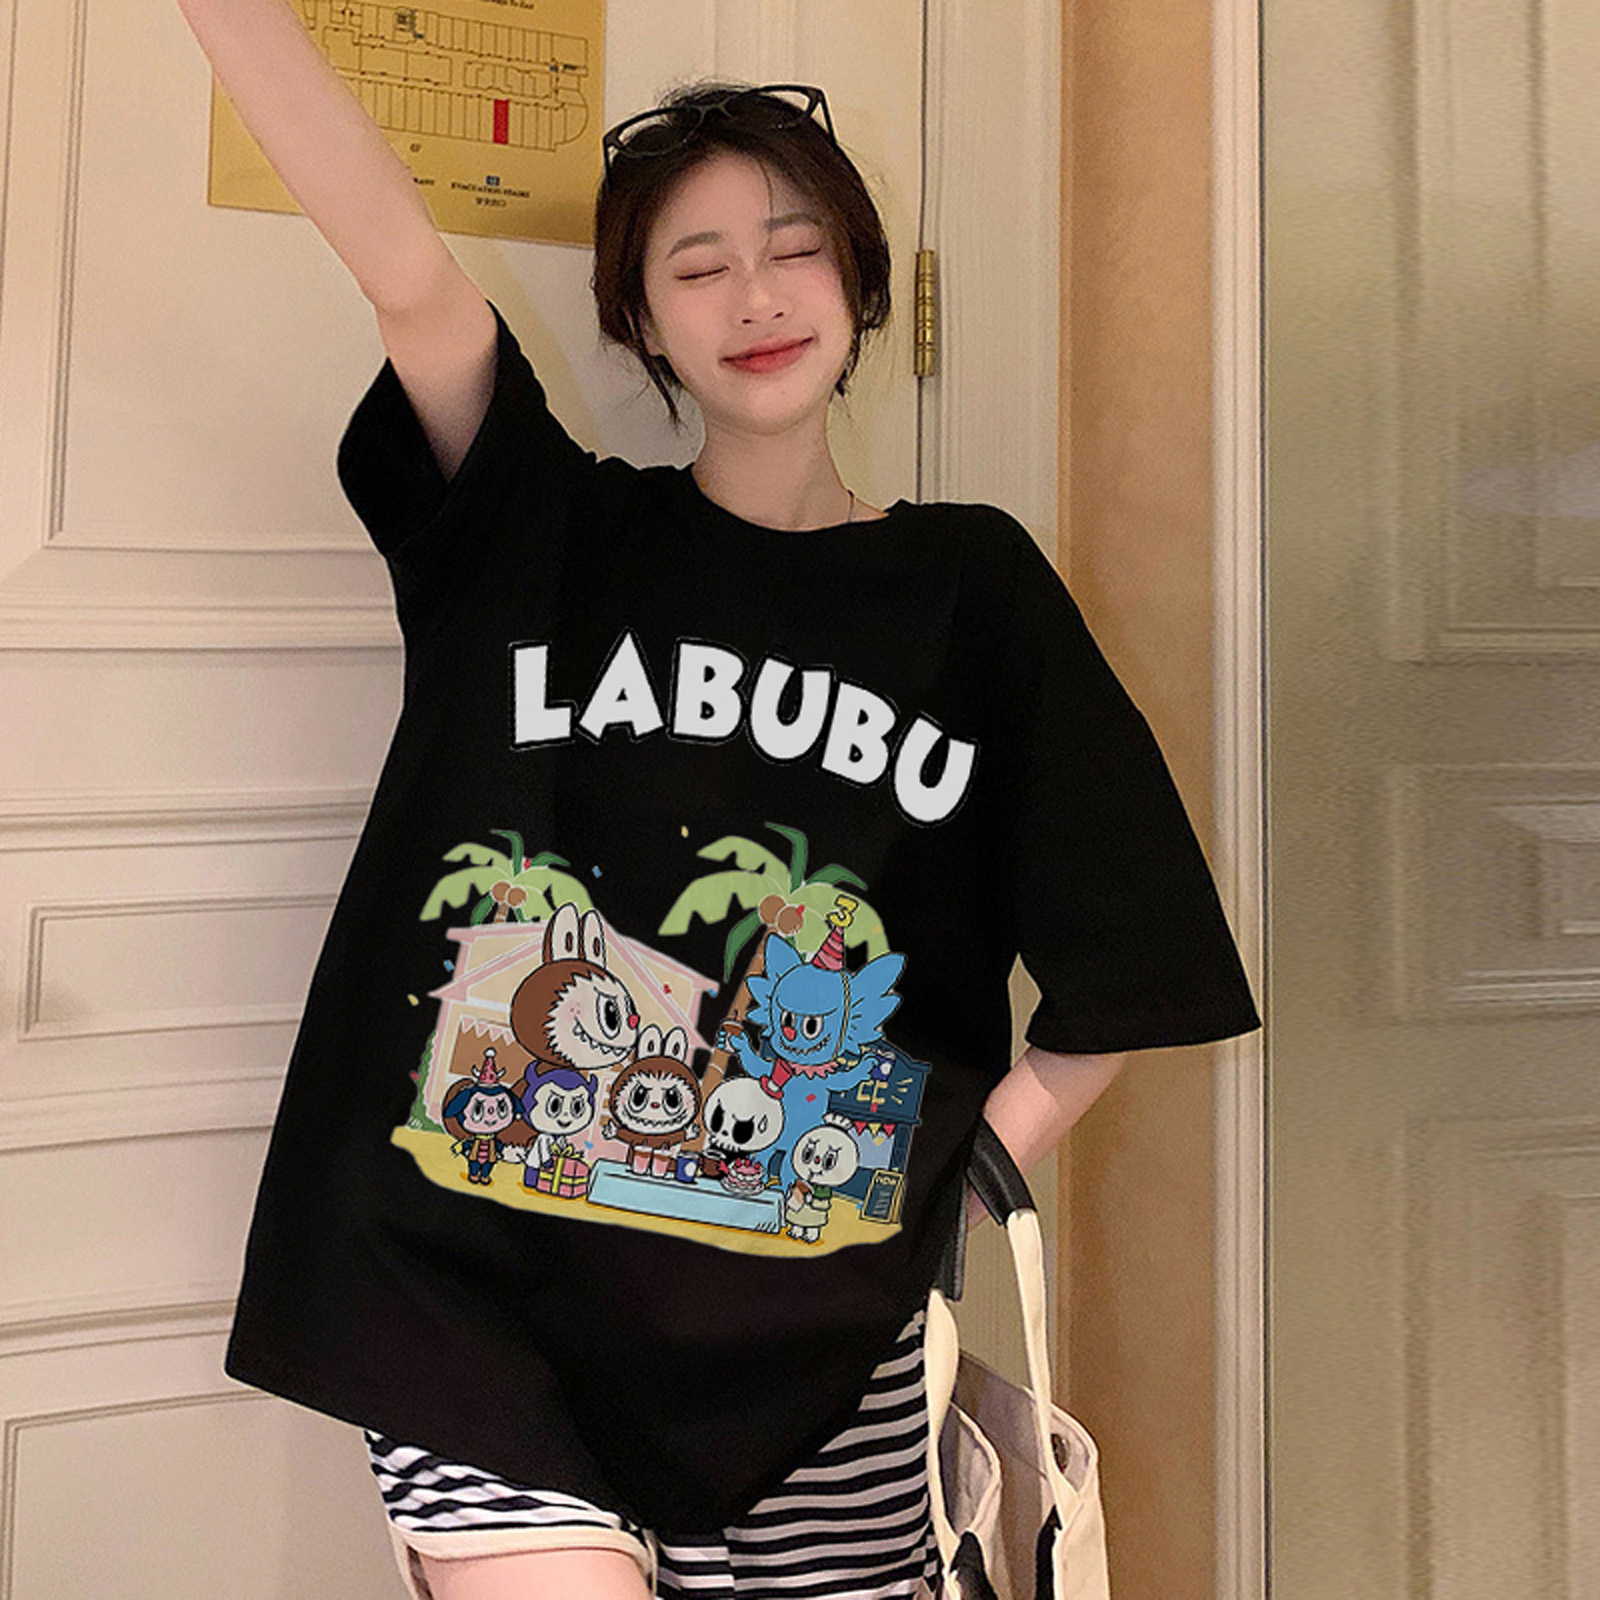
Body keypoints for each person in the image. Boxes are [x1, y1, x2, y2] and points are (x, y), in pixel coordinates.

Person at [175, 5, 1262, 1598]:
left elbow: (1134, 958)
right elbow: (407, 275)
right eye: (697, 266)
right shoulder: (543, 529)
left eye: (795, 249)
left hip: (820, 1349)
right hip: (482, 1310)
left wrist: (953, 1185)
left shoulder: (974, 590)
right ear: (642, 323)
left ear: (862, 284)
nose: (755, 295)